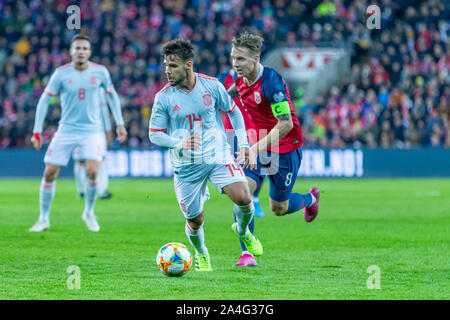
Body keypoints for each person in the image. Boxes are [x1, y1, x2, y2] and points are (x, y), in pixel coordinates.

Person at [149, 39, 262, 271]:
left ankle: (242, 231)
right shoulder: (164, 97)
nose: (167, 71)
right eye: (166, 65)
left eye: (173, 66)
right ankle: (201, 253)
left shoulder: (211, 86)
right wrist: (178, 142)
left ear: (188, 65)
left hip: (218, 156)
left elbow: (234, 112)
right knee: (195, 220)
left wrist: (243, 144)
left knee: (244, 198)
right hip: (186, 166)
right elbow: (155, 135)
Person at [228, 32, 320, 264]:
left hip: (285, 147)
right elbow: (231, 93)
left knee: (279, 208)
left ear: (256, 58)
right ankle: (246, 252)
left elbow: (286, 124)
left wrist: (254, 148)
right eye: (233, 58)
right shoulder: (239, 78)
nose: (235, 64)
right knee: (243, 194)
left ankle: (310, 199)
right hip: (256, 146)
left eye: (240, 59)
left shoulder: (272, 83)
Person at [29, 34, 127, 233]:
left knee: (92, 171)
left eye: (84, 48)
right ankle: (43, 218)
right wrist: (37, 131)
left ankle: (89, 212)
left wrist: (120, 123)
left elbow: (112, 96)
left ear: (89, 52)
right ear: (71, 52)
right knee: (49, 173)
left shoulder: (100, 72)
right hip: (66, 129)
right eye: (77, 48)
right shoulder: (61, 73)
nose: (81, 52)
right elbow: (44, 101)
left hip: (92, 130)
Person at [218, 69, 265, 219]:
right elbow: (218, 101)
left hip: (255, 128)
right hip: (232, 130)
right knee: (240, 168)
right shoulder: (223, 77)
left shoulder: (258, 77)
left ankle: (254, 199)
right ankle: (244, 200)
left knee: (264, 166)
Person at [73, 87, 113, 200]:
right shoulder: (98, 89)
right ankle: (100, 190)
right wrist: (108, 130)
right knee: (97, 160)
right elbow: (104, 112)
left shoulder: (76, 88)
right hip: (93, 131)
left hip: (81, 130)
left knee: (83, 162)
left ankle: (84, 191)